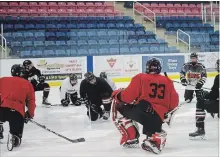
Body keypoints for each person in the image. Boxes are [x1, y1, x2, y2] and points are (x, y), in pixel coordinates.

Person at [111, 58, 179, 154]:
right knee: (151, 132)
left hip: (144, 112)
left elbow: (127, 97)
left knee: (119, 107)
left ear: (147, 68)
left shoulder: (141, 77)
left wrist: (117, 94)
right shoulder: (168, 81)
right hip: (159, 117)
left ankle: (131, 138)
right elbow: (174, 103)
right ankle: (156, 137)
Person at [0, 64, 36, 151]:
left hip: (2, 109)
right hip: (16, 111)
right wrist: (29, 114)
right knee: (16, 129)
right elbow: (31, 101)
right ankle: (15, 137)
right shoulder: (27, 84)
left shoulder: (2, 80)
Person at [189, 59, 219, 139]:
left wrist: (204, 94)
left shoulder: (218, 77)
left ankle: (200, 129)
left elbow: (213, 95)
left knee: (200, 103)